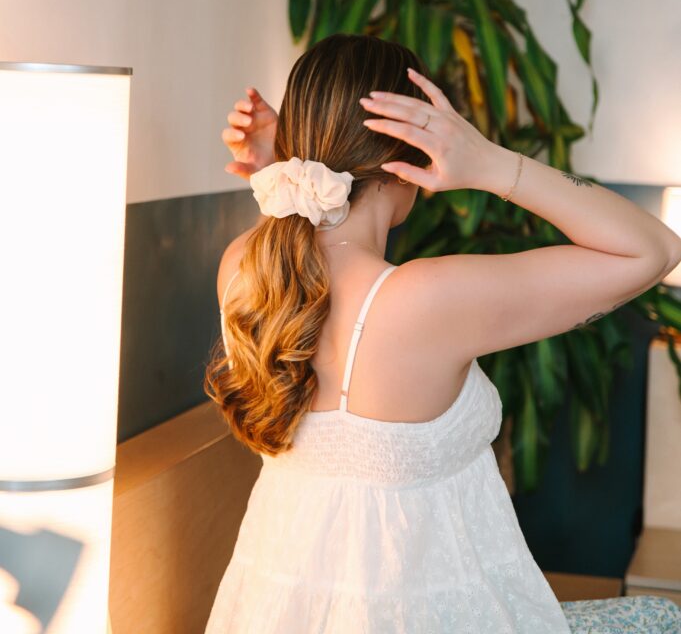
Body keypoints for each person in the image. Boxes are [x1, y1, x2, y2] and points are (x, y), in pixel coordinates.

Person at [203, 33, 681, 634]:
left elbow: (305, 258)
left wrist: (284, 169)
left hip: (277, 616)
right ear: (409, 151)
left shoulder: (242, 269)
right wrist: (491, 164)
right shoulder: (421, 302)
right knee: (662, 616)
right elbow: (653, 250)